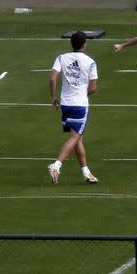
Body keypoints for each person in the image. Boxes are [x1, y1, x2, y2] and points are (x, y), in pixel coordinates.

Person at [47, 31, 99, 184]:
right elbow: (93, 88)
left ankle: (86, 172)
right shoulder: (90, 62)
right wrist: (84, 93)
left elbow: (52, 78)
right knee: (75, 138)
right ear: (84, 44)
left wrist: (53, 96)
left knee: (77, 139)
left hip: (65, 104)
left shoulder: (61, 58)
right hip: (80, 104)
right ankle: (56, 165)